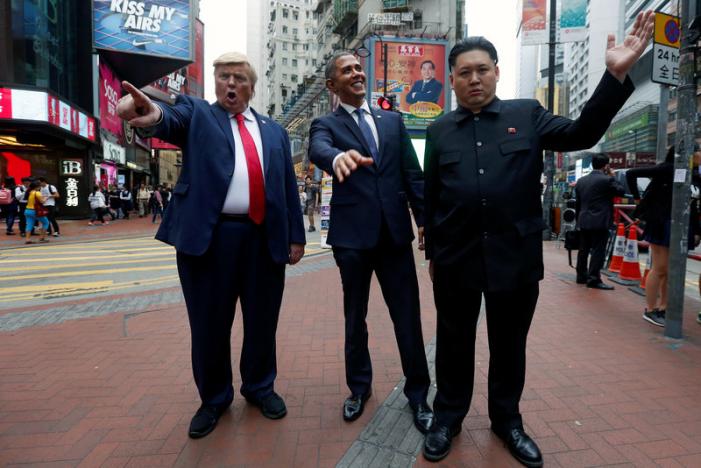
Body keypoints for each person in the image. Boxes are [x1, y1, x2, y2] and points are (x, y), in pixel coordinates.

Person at [422, 12, 654, 465]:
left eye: (482, 70)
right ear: (452, 79)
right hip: (457, 259)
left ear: (496, 72)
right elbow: (433, 198)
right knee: (453, 342)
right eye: (464, 72)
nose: (474, 79)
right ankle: (447, 417)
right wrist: (433, 250)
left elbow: (581, 133)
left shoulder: (525, 115)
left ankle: (507, 421)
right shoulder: (437, 131)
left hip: (515, 258)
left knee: (510, 345)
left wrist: (615, 74)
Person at [117, 51, 305, 439]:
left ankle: (259, 387)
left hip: (262, 238)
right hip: (210, 239)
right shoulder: (199, 114)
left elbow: (287, 185)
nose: (229, 84)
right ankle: (214, 399)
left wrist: (295, 236)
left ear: (252, 86)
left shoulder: (273, 131)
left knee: (262, 322)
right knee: (209, 326)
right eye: (223, 77)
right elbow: (169, 119)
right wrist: (153, 116)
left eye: (238, 77)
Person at [308, 52, 433, 434]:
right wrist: (337, 157)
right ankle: (359, 389)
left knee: (407, 317)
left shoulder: (393, 121)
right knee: (354, 317)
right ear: (333, 85)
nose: (357, 73)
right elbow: (318, 149)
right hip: (353, 240)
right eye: (347, 70)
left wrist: (424, 219)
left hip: (395, 236)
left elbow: (412, 174)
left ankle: (418, 395)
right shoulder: (325, 124)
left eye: (358, 68)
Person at [627, 145, 701, 327]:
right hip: (662, 223)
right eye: (698, 151)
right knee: (660, 268)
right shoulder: (668, 169)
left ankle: (664, 307)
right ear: (689, 154)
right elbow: (631, 173)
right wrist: (637, 198)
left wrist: (697, 230)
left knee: (670, 270)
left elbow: (695, 206)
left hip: (683, 226)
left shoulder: (696, 176)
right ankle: (650, 310)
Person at [574, 153, 625, 290]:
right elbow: (621, 191)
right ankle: (594, 279)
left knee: (583, 249)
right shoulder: (607, 180)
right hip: (600, 220)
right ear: (606, 165)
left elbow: (578, 203)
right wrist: (612, 176)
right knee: (598, 250)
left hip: (583, 220)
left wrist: (578, 220)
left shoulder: (581, 181)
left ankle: (581, 276)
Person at [23, 180, 50, 244]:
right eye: (40, 186)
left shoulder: (30, 192)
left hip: (27, 210)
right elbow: (42, 201)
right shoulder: (37, 193)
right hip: (35, 211)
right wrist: (46, 198)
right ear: (37, 187)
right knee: (46, 223)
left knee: (29, 224)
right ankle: (42, 238)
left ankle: (27, 239)